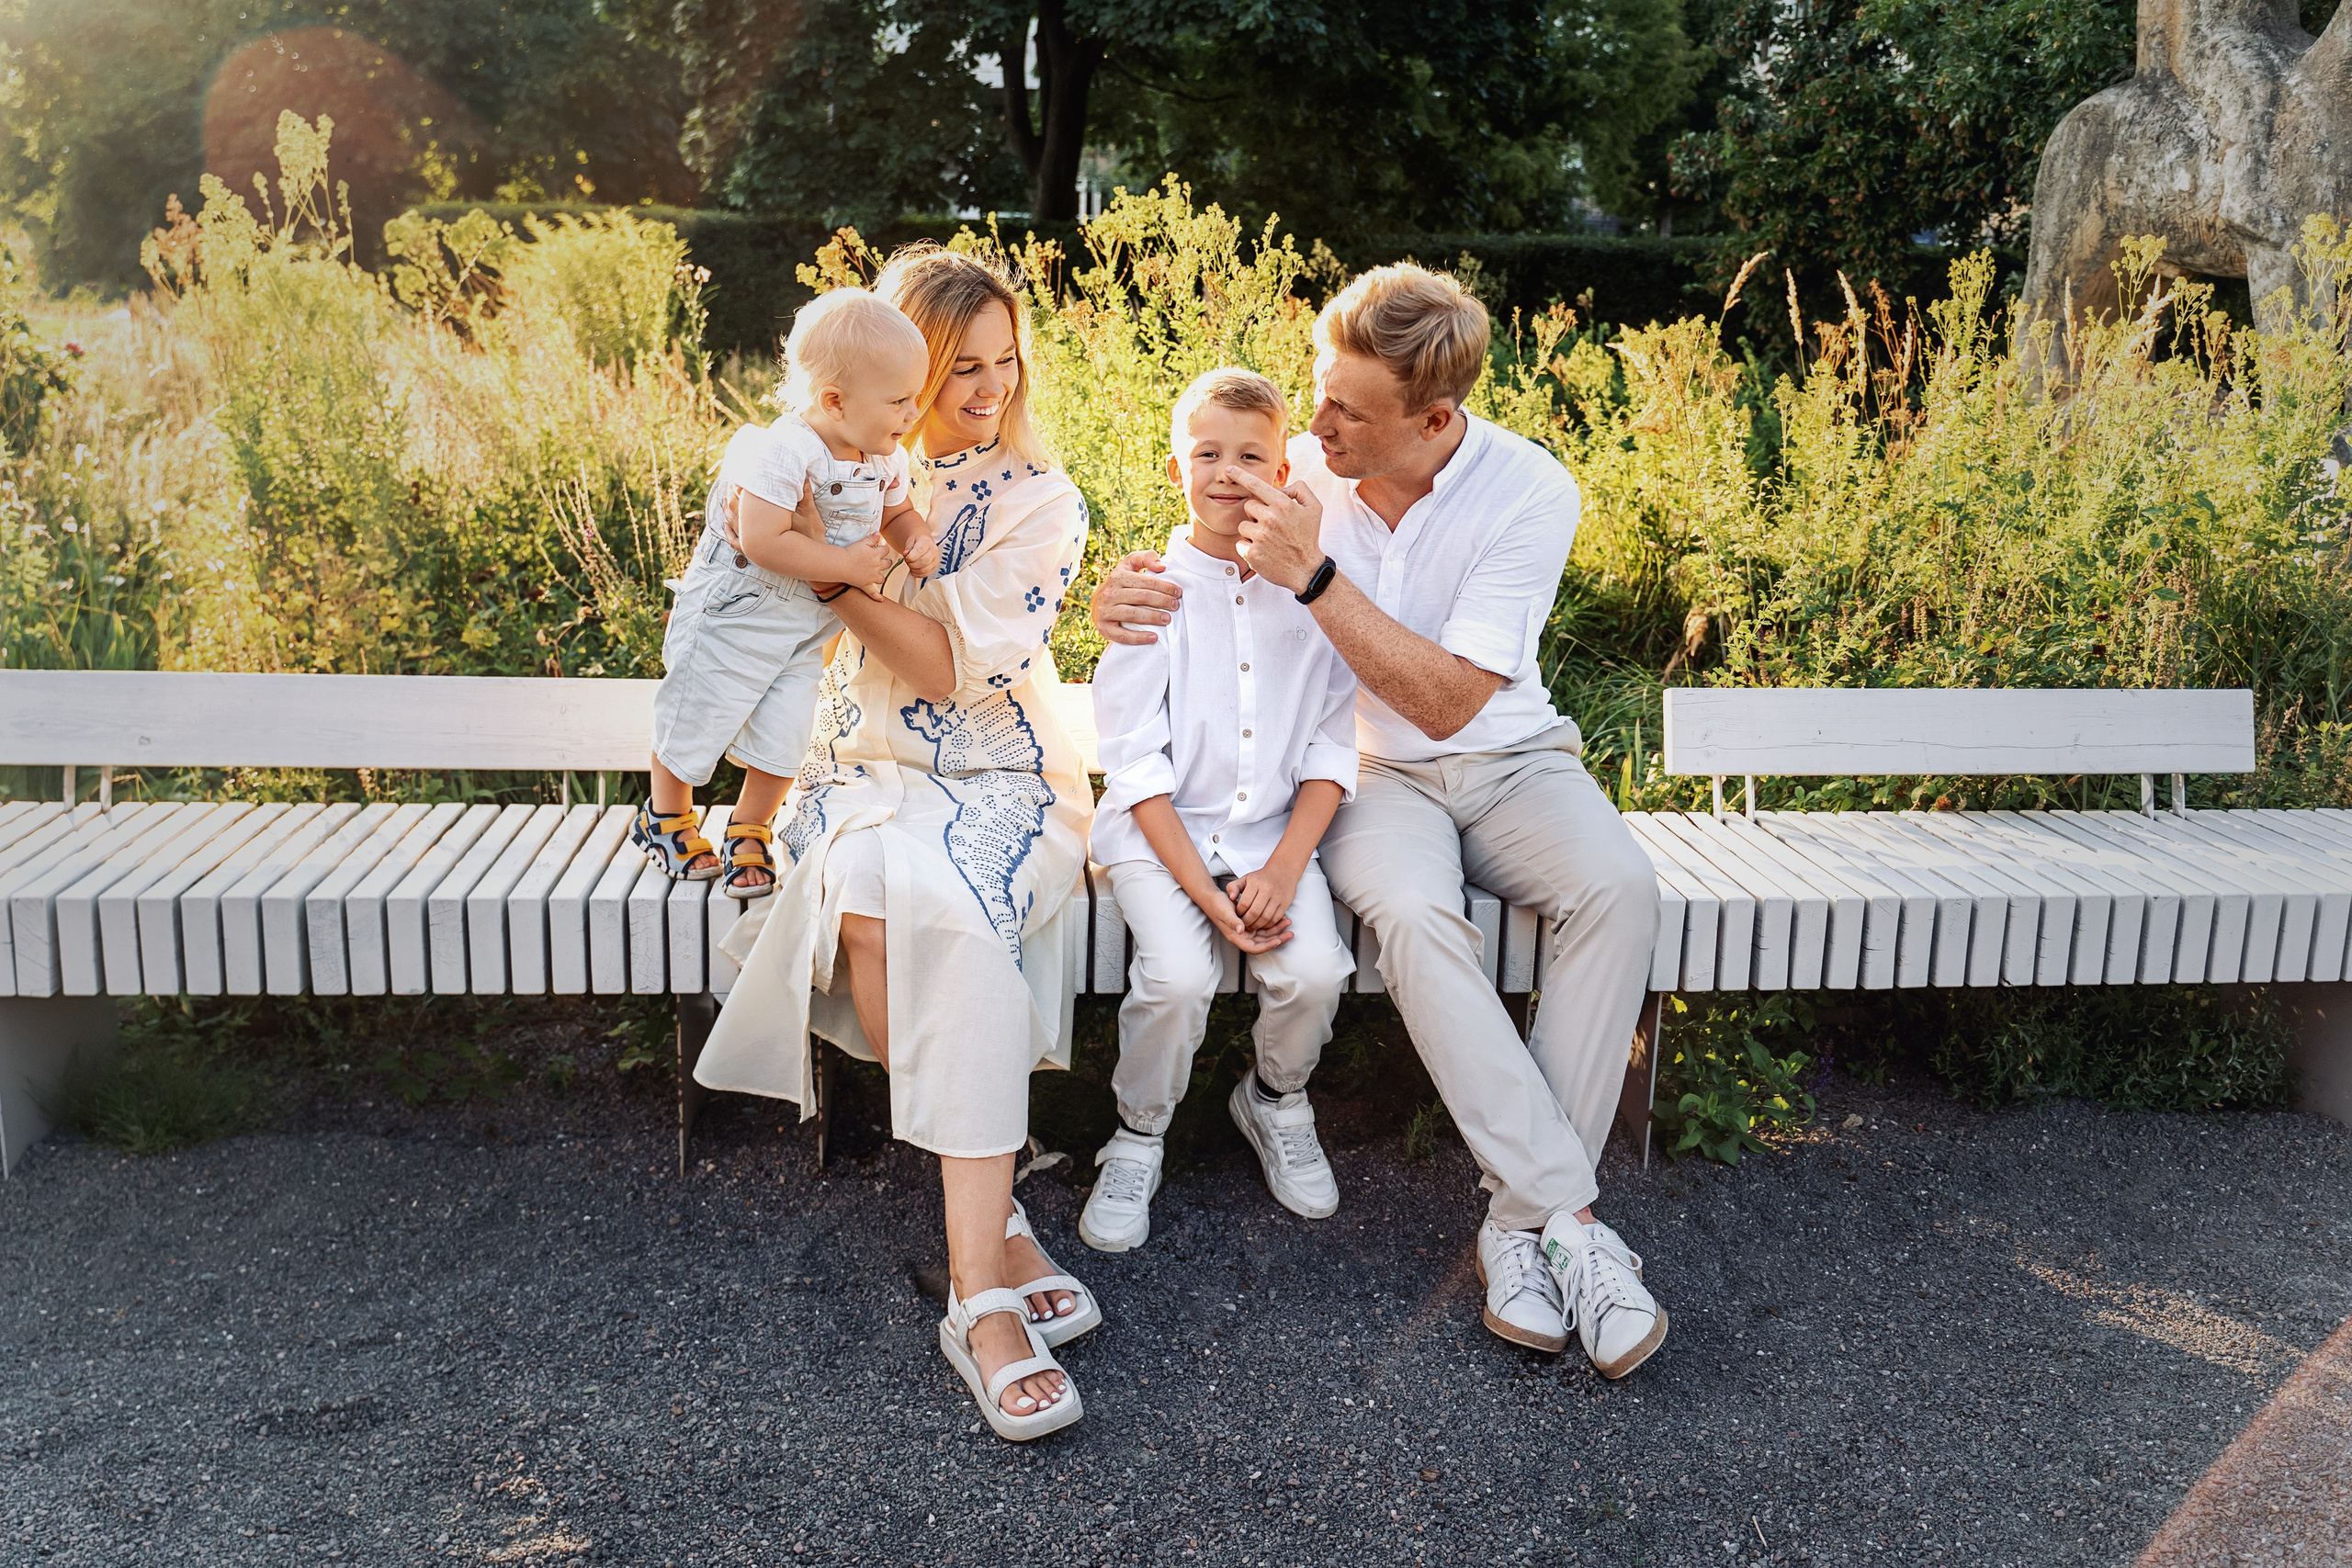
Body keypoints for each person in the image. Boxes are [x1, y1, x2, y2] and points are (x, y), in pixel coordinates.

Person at [1090, 265, 1670, 1381]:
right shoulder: (1301, 459)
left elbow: (1452, 700)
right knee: (1411, 912)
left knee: (1619, 891)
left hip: (1513, 762)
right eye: (1318, 395)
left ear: (1435, 419)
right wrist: (1116, 600)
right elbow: (1191, 535)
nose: (1314, 429)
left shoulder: (1530, 492)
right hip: (1369, 781)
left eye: (1347, 412)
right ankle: (1573, 1225)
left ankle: (1521, 1224)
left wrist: (1314, 578)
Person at [694, 248, 1099, 1439]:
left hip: (1000, 775)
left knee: (952, 917)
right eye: (956, 366)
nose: (985, 385)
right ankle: (1002, 1215)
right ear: (898, 372)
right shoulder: (844, 464)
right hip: (857, 773)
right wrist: (772, 541)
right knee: (873, 894)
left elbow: (944, 664)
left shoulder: (1042, 502)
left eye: (1001, 359)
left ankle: (979, 1289)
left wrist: (821, 574)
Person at [1080, 367, 1359, 1254]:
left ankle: (1274, 1096)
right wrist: (1206, 898)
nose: (1229, 473)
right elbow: (1133, 762)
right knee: (1179, 976)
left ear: (1284, 474)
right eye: (1208, 453)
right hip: (1158, 837)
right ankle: (1138, 1131)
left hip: (1272, 836)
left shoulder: (1314, 596)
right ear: (1176, 470)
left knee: (1315, 970)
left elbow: (1327, 747)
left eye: (1251, 456)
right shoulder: (1152, 592)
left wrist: (1281, 869)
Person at [635, 288, 943, 900]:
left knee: (786, 735)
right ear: (834, 400)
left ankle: (750, 825)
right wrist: (846, 565)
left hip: (803, 629)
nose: (913, 414)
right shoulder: (786, 450)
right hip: (737, 610)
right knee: (698, 711)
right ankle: (666, 816)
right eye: (899, 401)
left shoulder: (883, 457)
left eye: (915, 398)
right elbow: (763, 539)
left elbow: (897, 509)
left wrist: (914, 538)